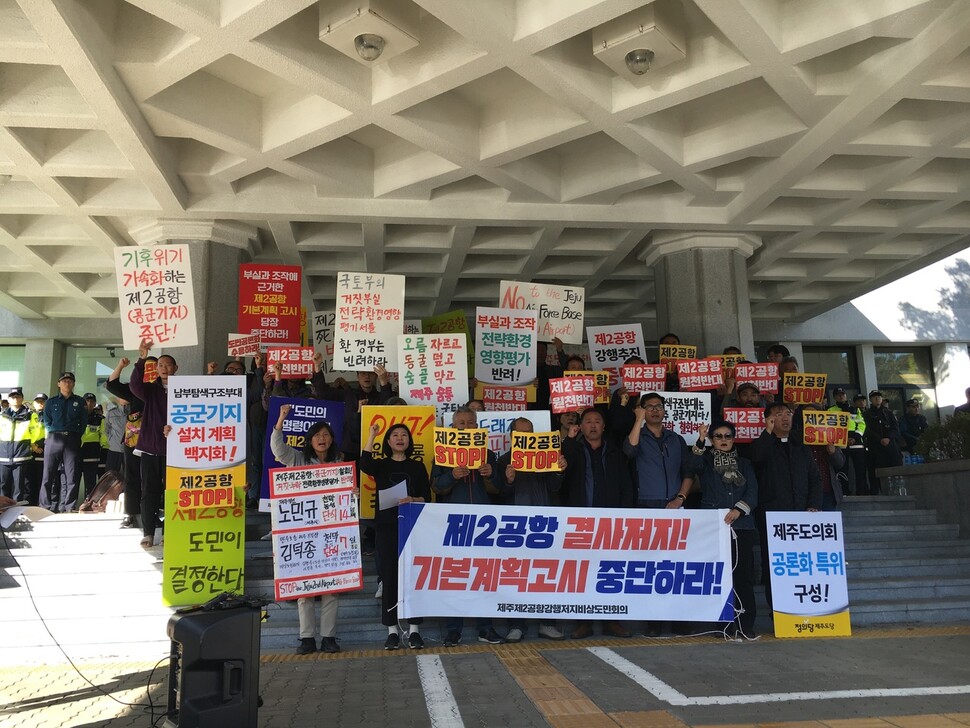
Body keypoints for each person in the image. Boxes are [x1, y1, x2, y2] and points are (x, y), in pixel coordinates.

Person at [271, 404, 348, 654]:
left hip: (331, 530)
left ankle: (329, 637)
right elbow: (278, 449)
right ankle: (307, 638)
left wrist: (351, 491)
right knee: (304, 588)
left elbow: (342, 493)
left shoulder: (339, 461)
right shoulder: (298, 459)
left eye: (325, 435)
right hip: (302, 531)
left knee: (331, 588)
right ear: (310, 440)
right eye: (317, 435)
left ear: (332, 439)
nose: (322, 439)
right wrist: (282, 418)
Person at [431, 406, 504, 646]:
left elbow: (498, 490)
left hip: (484, 522)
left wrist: (490, 474)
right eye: (461, 423)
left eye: (471, 423)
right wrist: (451, 475)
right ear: (452, 427)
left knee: (484, 574)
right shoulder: (442, 453)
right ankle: (454, 629)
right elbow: (436, 488)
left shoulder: (488, 454)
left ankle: (486, 627)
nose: (466, 427)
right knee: (455, 575)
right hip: (454, 521)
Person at [562, 408, 635, 639]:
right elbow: (560, 475)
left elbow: (626, 485)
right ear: (580, 427)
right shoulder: (572, 448)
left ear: (604, 427)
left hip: (610, 522)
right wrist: (569, 441)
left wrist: (624, 516)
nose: (593, 425)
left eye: (597, 421)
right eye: (588, 422)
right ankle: (582, 621)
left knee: (610, 571)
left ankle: (611, 620)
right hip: (579, 521)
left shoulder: (614, 451)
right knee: (581, 572)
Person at [359, 422, 430, 650]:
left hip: (412, 526)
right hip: (387, 527)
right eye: (395, 435)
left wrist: (413, 499)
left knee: (413, 576)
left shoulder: (417, 466)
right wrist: (372, 435)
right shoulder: (381, 466)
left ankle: (415, 630)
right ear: (388, 442)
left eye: (404, 435)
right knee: (389, 576)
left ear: (409, 441)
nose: (400, 438)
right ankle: (391, 631)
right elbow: (365, 464)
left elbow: (426, 497)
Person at [497, 417, 566, 641]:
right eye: (522, 433)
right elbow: (498, 494)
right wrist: (508, 481)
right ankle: (517, 625)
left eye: (530, 432)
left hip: (544, 522)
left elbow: (555, 487)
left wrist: (558, 470)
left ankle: (547, 623)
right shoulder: (505, 460)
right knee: (516, 575)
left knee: (546, 573)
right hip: (516, 526)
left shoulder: (545, 454)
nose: (527, 436)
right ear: (512, 437)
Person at [689, 421, 758, 638]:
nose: (724, 440)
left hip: (742, 525)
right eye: (718, 436)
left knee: (743, 576)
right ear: (712, 440)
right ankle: (723, 625)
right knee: (719, 576)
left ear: (734, 438)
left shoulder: (745, 463)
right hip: (714, 526)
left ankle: (746, 625)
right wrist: (700, 440)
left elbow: (753, 490)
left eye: (728, 436)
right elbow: (691, 467)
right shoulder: (706, 461)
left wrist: (739, 509)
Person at [750, 402, 821, 607]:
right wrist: (767, 432)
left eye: (788, 414)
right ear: (769, 419)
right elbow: (756, 458)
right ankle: (779, 610)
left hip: (802, 515)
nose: (785, 418)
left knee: (803, 562)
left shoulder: (801, 446)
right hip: (773, 516)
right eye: (778, 414)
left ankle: (807, 605)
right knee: (775, 564)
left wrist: (814, 504)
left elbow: (814, 479)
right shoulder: (761, 444)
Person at [128, 340, 178, 548]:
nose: (164, 368)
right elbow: (134, 385)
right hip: (150, 448)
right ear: (156, 369)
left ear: (176, 368)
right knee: (149, 491)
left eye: (168, 365)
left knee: (172, 492)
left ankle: (170, 531)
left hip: (175, 451)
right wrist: (142, 358)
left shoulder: (186, 389)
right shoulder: (150, 390)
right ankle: (148, 532)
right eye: (161, 365)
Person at [39, 372, 86, 512]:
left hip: (72, 439)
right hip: (54, 438)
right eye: (64, 381)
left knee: (71, 475)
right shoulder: (51, 401)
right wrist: (54, 431)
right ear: (59, 384)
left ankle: (69, 506)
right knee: (48, 474)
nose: (67, 383)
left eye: (70, 381)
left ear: (74, 384)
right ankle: (45, 506)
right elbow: (47, 421)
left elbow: (83, 422)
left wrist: (76, 435)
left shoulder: (80, 401)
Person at [106, 358, 144, 529]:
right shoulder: (135, 390)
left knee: (154, 479)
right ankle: (131, 514)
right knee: (132, 477)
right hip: (133, 441)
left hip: (159, 440)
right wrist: (121, 365)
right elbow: (112, 384)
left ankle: (153, 512)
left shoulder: (165, 389)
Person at [862, 390, 903, 494]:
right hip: (875, 447)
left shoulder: (888, 412)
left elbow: (896, 428)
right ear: (870, 399)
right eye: (874, 397)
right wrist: (880, 439)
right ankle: (876, 492)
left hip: (890, 445)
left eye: (879, 397)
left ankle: (896, 491)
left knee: (895, 468)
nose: (877, 399)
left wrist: (888, 438)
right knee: (876, 471)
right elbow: (867, 430)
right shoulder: (867, 414)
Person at [0, 389, 33, 502]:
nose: (15, 399)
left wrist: (31, 445)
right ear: (8, 399)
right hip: (3, 456)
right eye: (12, 397)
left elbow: (35, 433)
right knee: (3, 485)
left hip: (20, 456)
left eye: (18, 397)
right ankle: (3, 510)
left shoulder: (29, 415)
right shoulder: (2, 415)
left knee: (19, 487)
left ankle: (16, 512)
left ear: (22, 399)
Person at [78, 393, 106, 502]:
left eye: (92, 401)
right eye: (87, 401)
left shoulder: (100, 418)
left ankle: (89, 504)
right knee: (72, 482)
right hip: (76, 453)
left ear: (95, 403)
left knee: (90, 484)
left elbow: (103, 436)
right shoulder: (76, 415)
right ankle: (69, 506)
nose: (89, 403)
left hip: (92, 454)